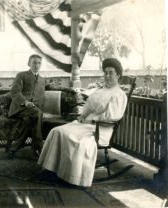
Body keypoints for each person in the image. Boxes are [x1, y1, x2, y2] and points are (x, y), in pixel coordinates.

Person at [38, 58, 127, 187]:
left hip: (101, 129)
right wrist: (83, 115)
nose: (107, 76)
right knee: (57, 131)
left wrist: (92, 120)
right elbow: (89, 106)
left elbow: (112, 116)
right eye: (105, 72)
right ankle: (53, 169)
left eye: (111, 73)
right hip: (86, 123)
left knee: (77, 141)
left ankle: (73, 177)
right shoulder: (101, 90)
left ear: (118, 75)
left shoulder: (119, 94)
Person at [8, 54, 45, 157]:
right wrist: (25, 102)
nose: (37, 65)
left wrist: (71, 90)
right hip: (19, 108)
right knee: (37, 114)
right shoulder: (21, 75)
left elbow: (51, 87)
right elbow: (15, 92)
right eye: (34, 62)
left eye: (39, 63)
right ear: (29, 63)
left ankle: (14, 148)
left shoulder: (42, 79)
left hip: (32, 111)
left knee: (30, 120)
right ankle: (38, 147)